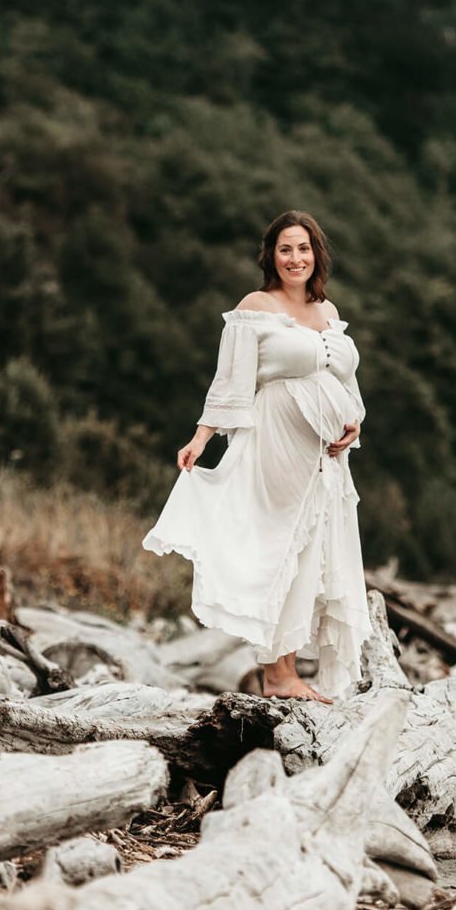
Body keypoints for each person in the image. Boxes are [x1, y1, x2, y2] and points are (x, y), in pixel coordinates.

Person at [143, 211, 366, 701]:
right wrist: (201, 439)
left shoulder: (328, 311)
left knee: (310, 552)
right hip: (276, 443)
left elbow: (345, 381)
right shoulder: (256, 306)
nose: (295, 258)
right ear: (271, 255)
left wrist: (353, 425)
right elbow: (231, 382)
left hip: (326, 458)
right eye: (285, 249)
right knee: (277, 547)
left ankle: (289, 671)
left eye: (303, 249)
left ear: (316, 255)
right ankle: (277, 674)